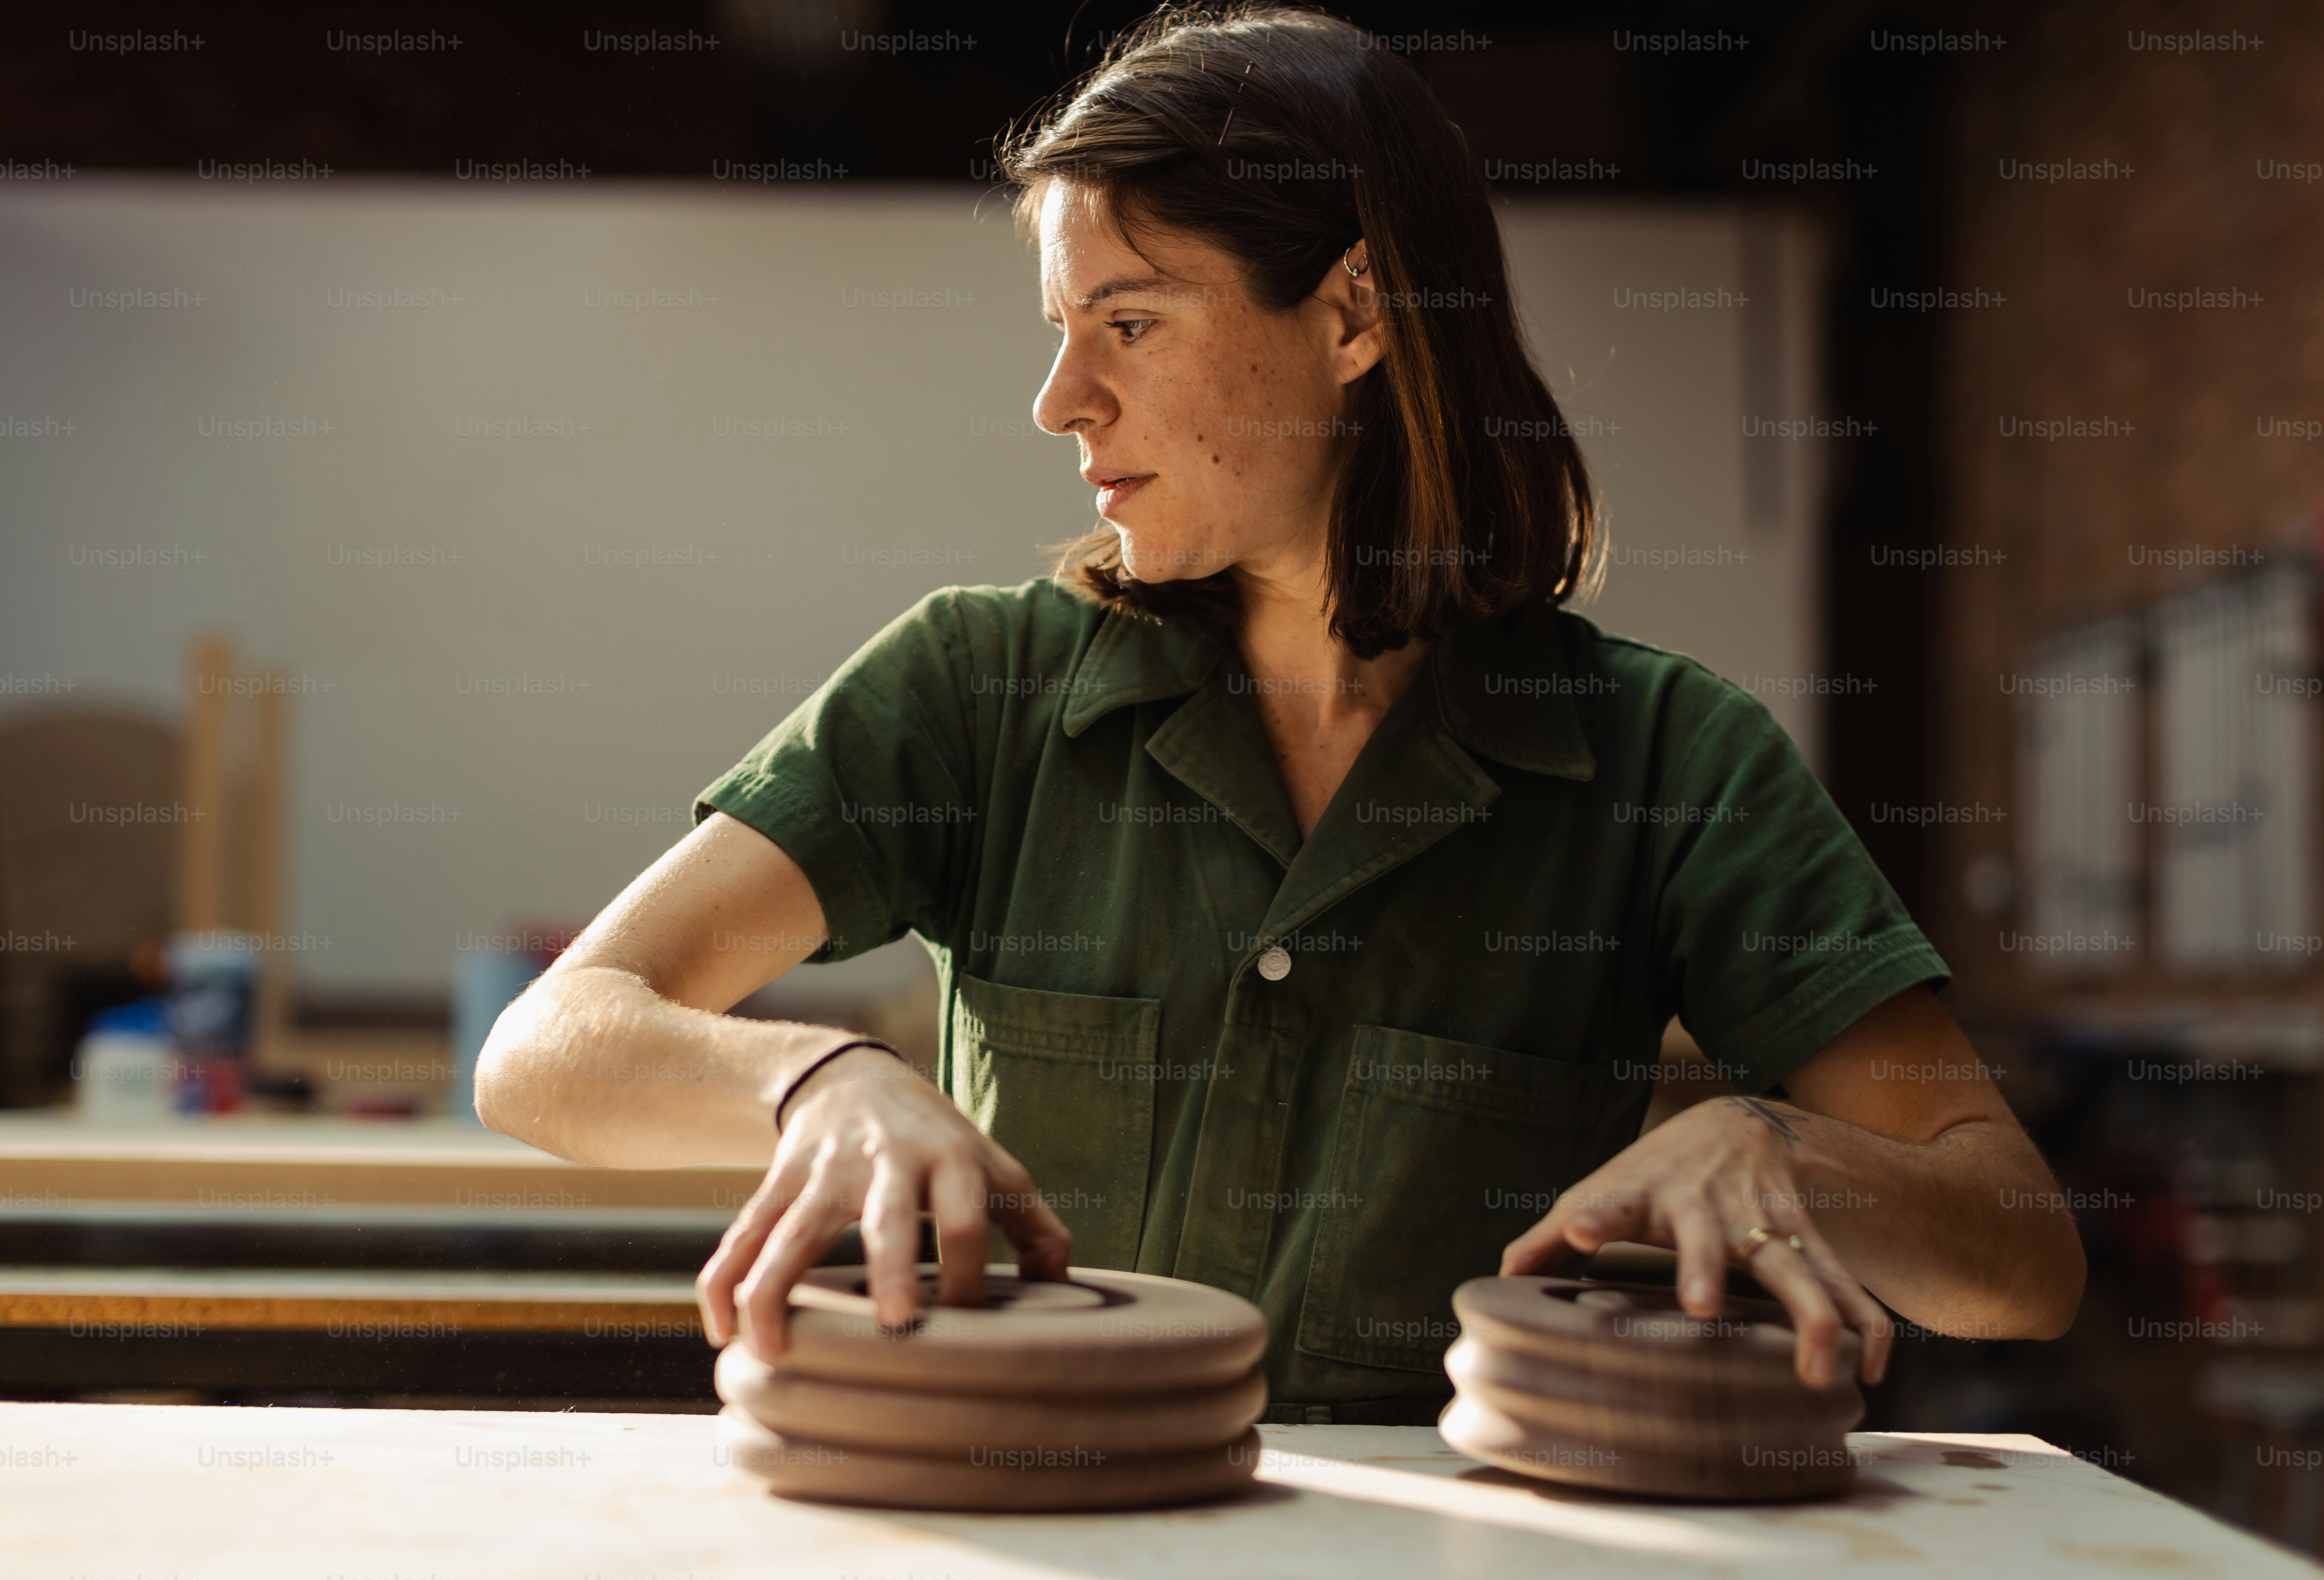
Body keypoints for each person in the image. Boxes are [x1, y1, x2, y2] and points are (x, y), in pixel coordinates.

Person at [476, 3, 2083, 1423]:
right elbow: (546, 1048)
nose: (1060, 402)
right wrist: (814, 1079)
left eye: (1129, 322)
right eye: (1061, 333)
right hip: (1041, 1543)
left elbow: (2021, 1259)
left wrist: (1782, 1148)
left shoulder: (1673, 761)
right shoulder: (975, 690)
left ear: (1355, 316)